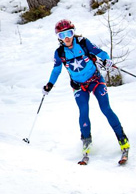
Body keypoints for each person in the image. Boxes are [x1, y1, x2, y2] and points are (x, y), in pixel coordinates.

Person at [42, 19, 129, 159]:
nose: (67, 38)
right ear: (58, 38)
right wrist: (49, 85)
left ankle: (122, 138)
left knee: (106, 109)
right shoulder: (59, 53)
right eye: (62, 36)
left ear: (74, 32)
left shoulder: (83, 42)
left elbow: (100, 52)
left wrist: (107, 60)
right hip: (78, 86)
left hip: (95, 81)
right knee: (83, 111)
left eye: (69, 33)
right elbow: (56, 70)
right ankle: (86, 141)